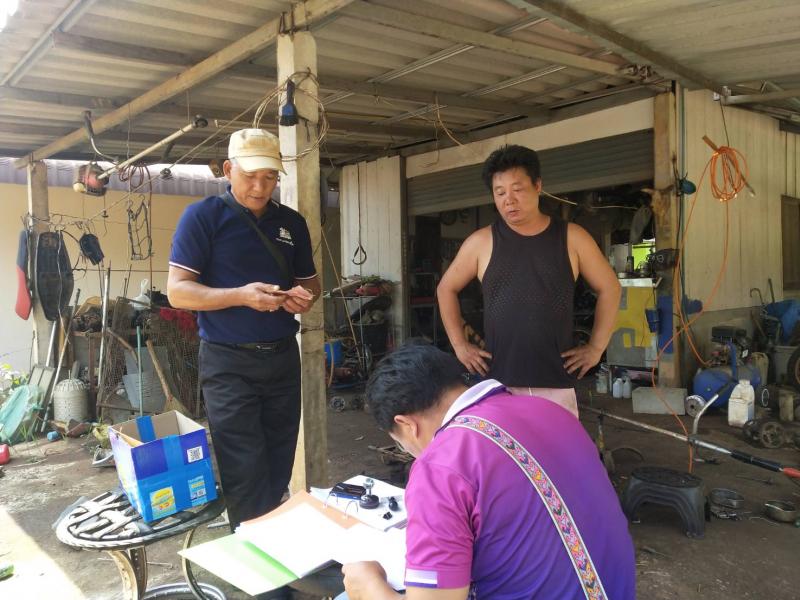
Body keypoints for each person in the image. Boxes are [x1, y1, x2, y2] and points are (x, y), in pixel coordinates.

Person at [340, 343, 636, 600]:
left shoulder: (440, 465)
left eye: (400, 443)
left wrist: (367, 585)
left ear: (407, 424)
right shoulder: (550, 411)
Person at [167, 129, 320, 533]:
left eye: (270, 177)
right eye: (250, 176)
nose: (260, 187)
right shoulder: (203, 217)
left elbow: (311, 283)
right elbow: (178, 292)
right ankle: (256, 557)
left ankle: (271, 542)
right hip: (227, 361)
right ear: (228, 169)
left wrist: (302, 298)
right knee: (244, 468)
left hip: (282, 357)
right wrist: (240, 296)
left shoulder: (291, 223)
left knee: (278, 461)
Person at [437, 144, 621, 416]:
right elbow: (446, 289)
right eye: (500, 192)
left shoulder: (572, 237)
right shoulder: (481, 242)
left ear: (537, 186)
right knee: (504, 445)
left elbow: (610, 288)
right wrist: (460, 346)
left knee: (556, 445)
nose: (509, 200)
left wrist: (596, 347)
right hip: (498, 383)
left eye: (518, 189)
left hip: (556, 382)